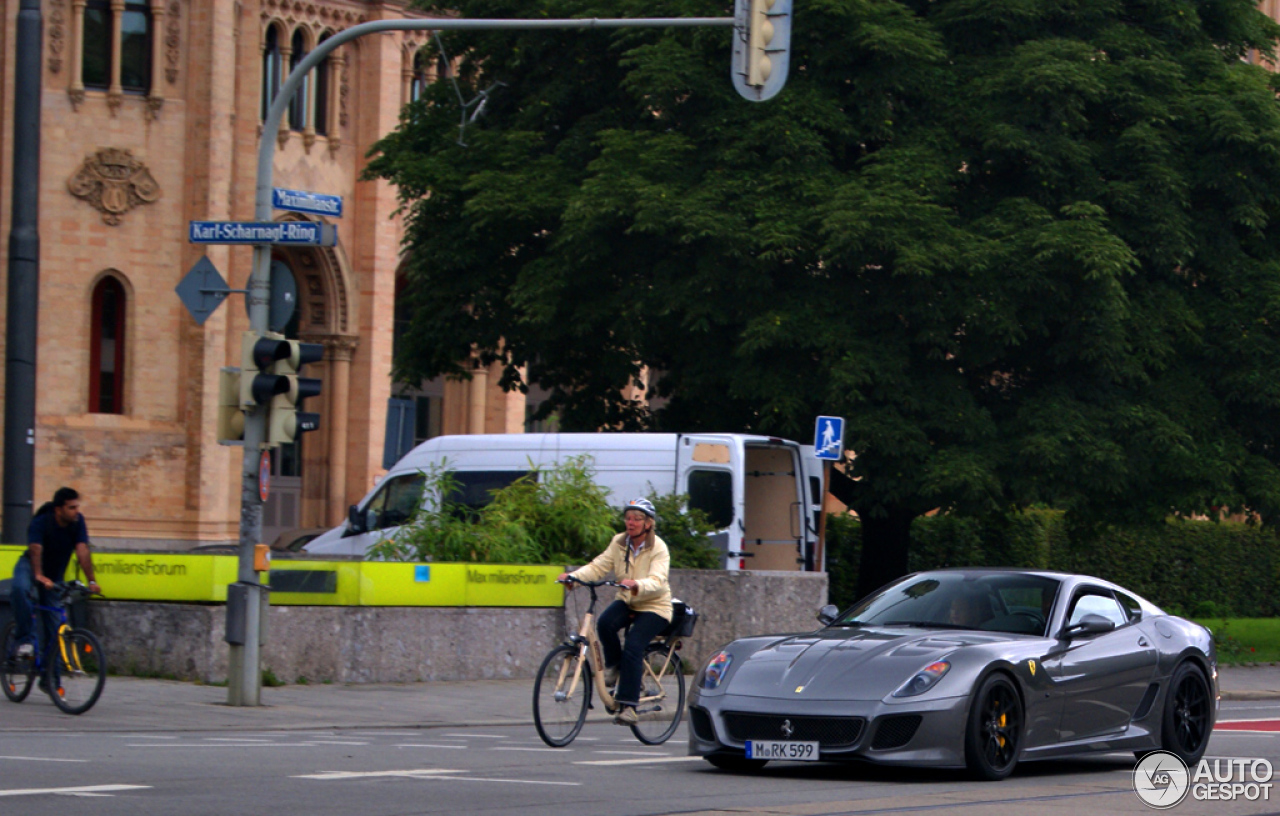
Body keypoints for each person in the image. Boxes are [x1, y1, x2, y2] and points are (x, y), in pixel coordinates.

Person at [558, 498, 672, 726]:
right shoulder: (618, 543)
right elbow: (598, 566)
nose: (631, 523)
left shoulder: (658, 547)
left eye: (637, 519)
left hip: (654, 605)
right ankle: (617, 667)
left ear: (648, 523)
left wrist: (638, 584)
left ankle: (629, 706)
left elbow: (658, 580)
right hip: (628, 600)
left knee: (633, 645)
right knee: (604, 623)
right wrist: (574, 578)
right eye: (628, 518)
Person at [9, 487, 100, 661]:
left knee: (56, 627)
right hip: (30, 566)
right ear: (58, 510)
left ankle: (52, 682)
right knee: (20, 589)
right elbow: (35, 549)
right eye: (71, 508)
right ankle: (24, 640)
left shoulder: (77, 522)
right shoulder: (42, 521)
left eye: (77, 507)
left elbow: (82, 550)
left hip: (54, 574)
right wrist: (38, 574)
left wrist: (92, 581)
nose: (76, 512)